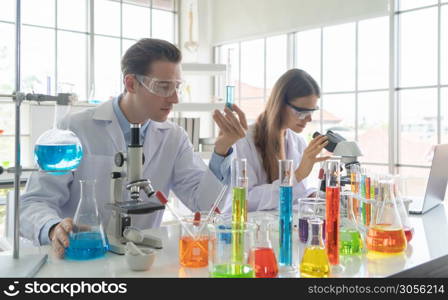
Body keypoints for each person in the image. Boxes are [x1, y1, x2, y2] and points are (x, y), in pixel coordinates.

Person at [20, 38, 247, 258]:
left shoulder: (174, 137)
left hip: (142, 259)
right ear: (131, 83)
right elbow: (34, 202)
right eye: (163, 86)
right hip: (81, 257)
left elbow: (205, 206)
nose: (175, 98)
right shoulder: (74, 127)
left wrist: (222, 150)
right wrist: (52, 228)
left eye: (177, 87)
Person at [230, 69, 329, 212]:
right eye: (302, 112)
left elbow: (296, 193)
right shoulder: (244, 141)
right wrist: (298, 174)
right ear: (280, 105)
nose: (309, 119)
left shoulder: (298, 142)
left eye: (312, 111)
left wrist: (313, 196)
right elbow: (246, 199)